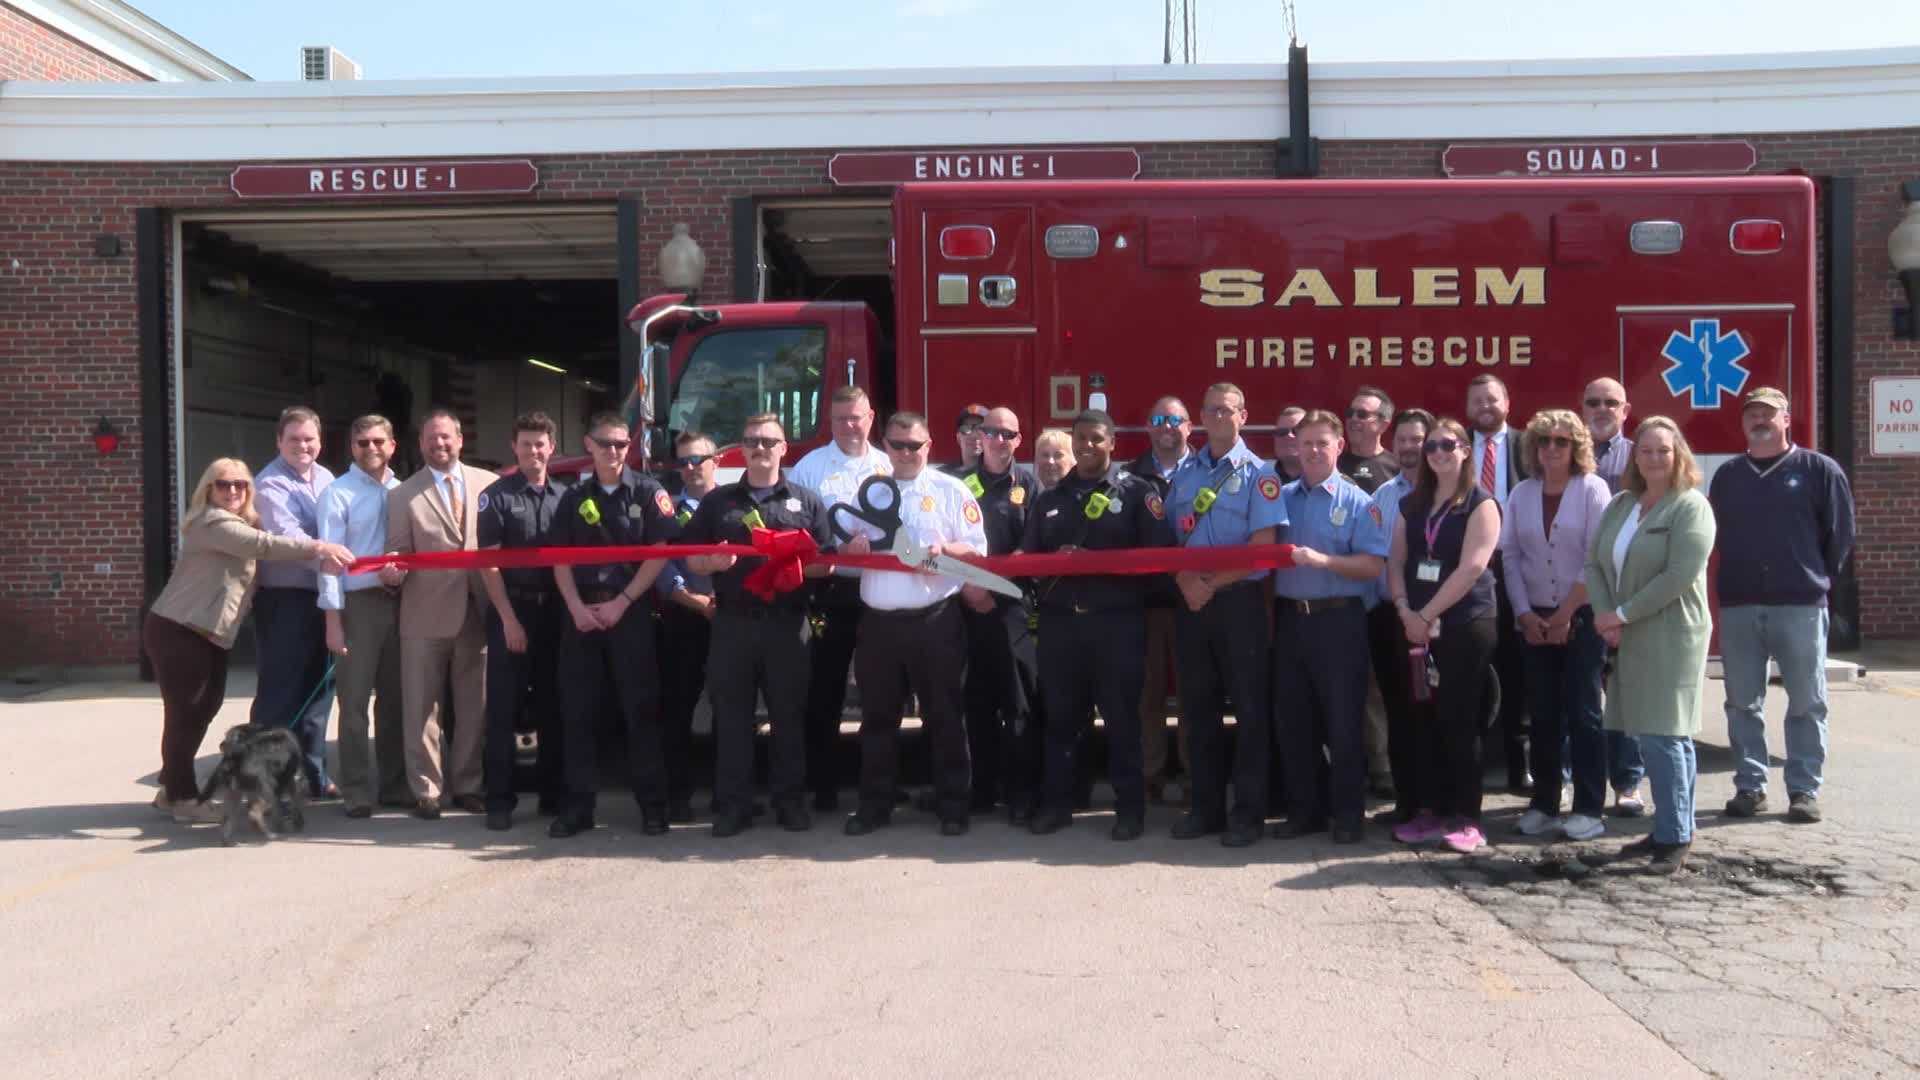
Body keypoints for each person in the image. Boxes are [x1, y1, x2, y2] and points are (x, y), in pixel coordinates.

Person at [147, 459, 352, 823]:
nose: (232, 491)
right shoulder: (212, 522)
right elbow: (263, 545)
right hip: (180, 629)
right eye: (223, 484)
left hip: (207, 633)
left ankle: (171, 787)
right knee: (185, 715)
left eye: (240, 485)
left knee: (202, 711)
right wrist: (319, 547)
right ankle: (182, 797)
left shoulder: (238, 521)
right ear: (208, 490)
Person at [1022, 409, 1175, 840]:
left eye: (1096, 439)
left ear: (1113, 445)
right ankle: (1057, 805)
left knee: (1123, 720)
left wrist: (1099, 565)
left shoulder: (1138, 493)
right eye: (1080, 439)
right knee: (1060, 720)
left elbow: (1159, 562)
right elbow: (1029, 557)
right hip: (1059, 626)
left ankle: (1130, 811)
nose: (1087, 446)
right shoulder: (1048, 499)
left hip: (1116, 626)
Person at [1710, 387, 1855, 825]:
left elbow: (1840, 536)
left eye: (1768, 413)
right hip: (1739, 603)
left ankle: (1804, 790)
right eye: (1751, 413)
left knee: (1807, 701)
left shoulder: (1819, 470)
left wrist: (1813, 579)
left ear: (1787, 419)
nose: (1760, 420)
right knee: (1741, 702)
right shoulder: (1729, 476)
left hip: (1800, 604)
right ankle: (1750, 787)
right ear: (1743, 422)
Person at [683, 415, 833, 836]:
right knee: (731, 719)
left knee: (789, 718)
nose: (761, 447)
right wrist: (709, 562)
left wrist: (802, 564)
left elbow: (829, 562)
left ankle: (790, 802)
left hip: (788, 625)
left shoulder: (806, 501)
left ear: (785, 448)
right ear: (742, 450)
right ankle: (734, 805)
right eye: (752, 441)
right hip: (733, 624)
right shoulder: (718, 502)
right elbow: (691, 558)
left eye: (770, 440)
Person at [841, 413, 990, 837]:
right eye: (898, 444)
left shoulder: (950, 489)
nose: (906, 453)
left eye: (915, 445)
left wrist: (945, 548)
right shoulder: (867, 491)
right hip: (879, 624)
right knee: (877, 719)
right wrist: (852, 548)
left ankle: (953, 805)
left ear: (929, 445)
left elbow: (977, 550)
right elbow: (845, 546)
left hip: (935, 621)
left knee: (945, 715)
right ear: (884, 445)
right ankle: (875, 805)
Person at [1586, 417, 1717, 873]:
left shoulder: (1690, 507)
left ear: (1678, 453)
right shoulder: (1623, 504)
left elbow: (1678, 576)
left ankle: (1676, 837)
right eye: (1646, 450)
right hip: (1624, 630)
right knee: (1647, 731)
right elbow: (1595, 563)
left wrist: (1619, 615)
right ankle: (1667, 828)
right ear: (1634, 457)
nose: (1655, 458)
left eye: (1664, 449)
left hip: (1671, 632)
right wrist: (1606, 616)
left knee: (1667, 734)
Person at [549, 412, 680, 837]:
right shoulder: (571, 498)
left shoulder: (648, 492)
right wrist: (575, 608)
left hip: (630, 613)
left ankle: (653, 807)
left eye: (621, 444)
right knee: (579, 714)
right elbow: (560, 558)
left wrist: (623, 602)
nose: (613, 451)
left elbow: (659, 552)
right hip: (581, 616)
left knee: (641, 710)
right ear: (588, 444)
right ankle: (578, 809)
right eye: (605, 443)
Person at [1165, 384, 1285, 847]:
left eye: (1227, 410)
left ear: (1243, 416)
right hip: (1192, 603)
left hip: (1238, 604)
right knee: (1198, 710)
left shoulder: (1260, 475)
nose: (1218, 416)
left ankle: (1249, 814)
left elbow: (1264, 551)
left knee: (1250, 711)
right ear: (1200, 416)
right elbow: (1172, 542)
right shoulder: (1185, 474)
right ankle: (1206, 810)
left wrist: (1209, 583)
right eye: (1211, 409)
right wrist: (1184, 580)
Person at [1270, 409, 1390, 844]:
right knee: (1294, 722)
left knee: (1343, 723)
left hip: (1339, 621)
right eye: (1307, 443)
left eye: (1323, 442)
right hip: (1290, 621)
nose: (1314, 451)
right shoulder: (1279, 497)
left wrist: (1322, 561)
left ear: (1339, 447)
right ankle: (1305, 813)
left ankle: (1347, 815)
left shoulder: (1360, 503)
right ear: (1295, 448)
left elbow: (1373, 565)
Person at [1388, 417, 1502, 855]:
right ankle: (1431, 811)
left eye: (1447, 445)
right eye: (1432, 445)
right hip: (1416, 626)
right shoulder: (1412, 504)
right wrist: (1404, 610)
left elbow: (1473, 567)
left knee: (1459, 722)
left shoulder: (1480, 503)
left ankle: (1467, 817)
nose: (1437, 452)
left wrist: (1428, 615)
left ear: (1465, 450)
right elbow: (1395, 561)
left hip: (1463, 626)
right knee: (1422, 721)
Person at [1501, 409, 1612, 841]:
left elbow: (1596, 557)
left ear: (1577, 447)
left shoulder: (1593, 490)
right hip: (1533, 617)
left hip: (1580, 616)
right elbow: (1509, 556)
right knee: (1542, 715)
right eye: (1544, 441)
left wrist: (1566, 612)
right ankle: (1545, 802)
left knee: (1584, 713)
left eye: (1561, 442)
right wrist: (1525, 614)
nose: (1551, 448)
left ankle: (1588, 807)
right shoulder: (1521, 494)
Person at [386, 408, 498, 819]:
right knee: (421, 707)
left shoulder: (489, 484)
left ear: (460, 439)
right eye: (432, 439)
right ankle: (427, 789)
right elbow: (397, 548)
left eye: (446, 437)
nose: (440, 444)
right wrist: (392, 571)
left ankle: (468, 785)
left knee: (474, 707)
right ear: (421, 444)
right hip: (424, 614)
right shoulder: (402, 495)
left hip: (476, 611)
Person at [787, 385, 893, 811]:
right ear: (830, 422)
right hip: (830, 591)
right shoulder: (809, 469)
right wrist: (835, 552)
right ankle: (823, 784)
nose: (851, 425)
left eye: (858, 416)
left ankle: (881, 783)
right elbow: (798, 535)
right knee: (825, 690)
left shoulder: (889, 465)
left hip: (882, 592)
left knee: (882, 693)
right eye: (841, 418)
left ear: (872, 418)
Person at [474, 411, 570, 831]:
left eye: (540, 443)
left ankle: (553, 795)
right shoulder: (495, 497)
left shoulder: (567, 497)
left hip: (556, 612)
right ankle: (500, 801)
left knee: (556, 707)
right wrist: (510, 621)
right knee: (503, 711)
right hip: (511, 610)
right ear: (514, 447)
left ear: (552, 447)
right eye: (526, 443)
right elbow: (490, 565)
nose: (534, 450)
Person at [316, 415, 409, 819]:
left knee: (395, 700)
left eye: (377, 442)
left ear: (393, 445)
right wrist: (333, 620)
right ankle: (355, 787)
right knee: (353, 703)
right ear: (351, 448)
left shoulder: (404, 492)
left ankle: (394, 783)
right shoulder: (337, 494)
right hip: (358, 608)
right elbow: (329, 562)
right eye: (361, 443)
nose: (370, 449)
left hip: (402, 602)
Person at [955, 406, 1041, 818]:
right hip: (965, 607)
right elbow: (944, 541)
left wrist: (992, 589)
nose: (999, 440)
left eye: (1009, 434)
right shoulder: (957, 484)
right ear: (980, 437)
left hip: (1010, 610)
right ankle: (980, 791)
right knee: (974, 704)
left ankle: (1020, 794)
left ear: (1018, 441)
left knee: (1018, 705)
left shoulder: (1029, 485)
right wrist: (970, 588)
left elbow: (1031, 546)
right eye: (992, 433)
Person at [251, 406, 339, 798]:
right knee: (280, 693)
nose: (303, 446)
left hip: (324, 596)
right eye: (294, 439)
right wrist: (330, 546)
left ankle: (314, 774)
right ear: (278, 442)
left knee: (319, 690)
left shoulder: (327, 478)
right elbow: (287, 539)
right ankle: (264, 780)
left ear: (319, 442)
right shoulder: (269, 485)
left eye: (309, 439)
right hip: (285, 600)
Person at [1581, 375, 1646, 816]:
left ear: (1626, 411)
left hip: (1624, 590)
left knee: (1624, 691)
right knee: (1581, 693)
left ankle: (1627, 783)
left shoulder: (1638, 459)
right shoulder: (1568, 456)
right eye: (1593, 402)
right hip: (1577, 590)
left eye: (1611, 402)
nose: (1602, 409)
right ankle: (1573, 778)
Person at [1125, 396, 1194, 804]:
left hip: (1195, 601)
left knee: (1193, 694)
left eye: (1174, 419)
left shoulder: (1208, 472)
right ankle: (1151, 774)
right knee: (1148, 695)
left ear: (1189, 427)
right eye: (1158, 419)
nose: (1166, 426)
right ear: (1148, 428)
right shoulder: (1132, 476)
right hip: (1148, 602)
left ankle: (1192, 776)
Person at [1367, 408, 1434, 825]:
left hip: (1433, 618)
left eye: (1418, 440)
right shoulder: (1383, 497)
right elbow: (1375, 556)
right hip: (1390, 617)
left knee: (1432, 713)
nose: (1410, 448)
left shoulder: (1446, 491)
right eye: (1403, 440)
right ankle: (1407, 802)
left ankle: (1436, 801)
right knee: (1398, 711)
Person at [1467, 373, 1531, 792]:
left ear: (1507, 401)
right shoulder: (1452, 447)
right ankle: (1465, 769)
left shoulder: (1529, 445)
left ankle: (1520, 765)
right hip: (1470, 573)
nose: (1485, 407)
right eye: (1476, 401)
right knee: (1472, 670)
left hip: (1518, 570)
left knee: (1519, 671)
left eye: (1492, 398)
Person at [654, 431, 719, 825]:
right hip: (684, 617)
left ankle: (727, 794)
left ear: (716, 461)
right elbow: (660, 562)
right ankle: (677, 795)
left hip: (731, 617)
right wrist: (690, 600)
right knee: (677, 711)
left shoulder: (733, 505)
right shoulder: (667, 511)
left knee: (732, 711)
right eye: (684, 462)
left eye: (699, 459)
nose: (692, 468)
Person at [1342, 386, 1401, 796]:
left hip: (1381, 595)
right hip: (1341, 592)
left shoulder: (1395, 470)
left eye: (1365, 414)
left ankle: (1383, 767)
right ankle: (1348, 766)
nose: (1356, 420)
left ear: (1384, 423)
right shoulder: (1332, 463)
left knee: (1379, 688)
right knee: (1346, 686)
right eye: (1351, 413)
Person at [1340, 387, 1400, 494]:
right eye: (1350, 413)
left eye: (1362, 414)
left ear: (1383, 425)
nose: (1354, 419)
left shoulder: (1397, 468)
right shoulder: (1333, 465)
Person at [944, 403, 989, 476]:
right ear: (958, 438)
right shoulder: (943, 476)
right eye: (966, 428)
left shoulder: (1001, 475)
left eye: (980, 428)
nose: (974, 435)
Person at [1271, 405, 1307, 482]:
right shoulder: (1257, 478)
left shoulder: (1325, 481)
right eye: (1282, 432)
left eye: (1296, 431)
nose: (1289, 436)